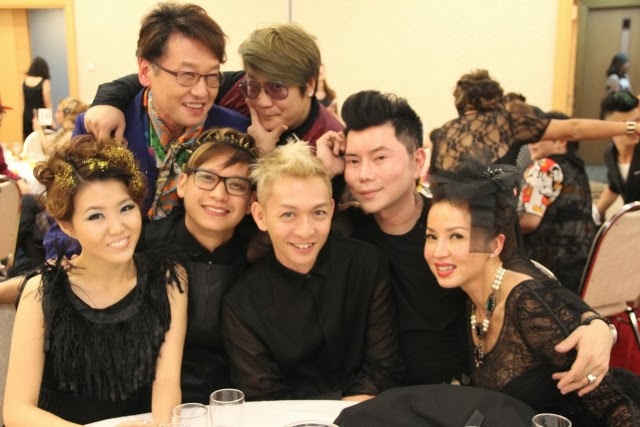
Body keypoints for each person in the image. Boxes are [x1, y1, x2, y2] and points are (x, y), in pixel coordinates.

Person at [316, 90, 616, 394]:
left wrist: (595, 322)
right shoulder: (346, 231)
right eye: (353, 161)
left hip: (459, 393)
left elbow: (521, 270)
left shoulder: (456, 221)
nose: (364, 174)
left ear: (418, 161)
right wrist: (325, 173)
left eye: (380, 158)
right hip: (375, 392)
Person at [424, 155, 640, 426]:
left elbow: (616, 405)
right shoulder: (472, 300)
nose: (438, 252)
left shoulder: (528, 303)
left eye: (456, 236)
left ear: (495, 245)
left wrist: (601, 328)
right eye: (431, 236)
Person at [3, 135, 188, 426]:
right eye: (96, 216)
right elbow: (16, 411)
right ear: (67, 225)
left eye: (126, 208)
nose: (117, 227)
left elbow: (166, 381)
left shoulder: (168, 279)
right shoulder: (40, 292)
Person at [222, 142, 403, 401]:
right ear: (261, 216)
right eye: (288, 215)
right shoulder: (242, 303)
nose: (306, 231)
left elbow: (383, 367)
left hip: (367, 411)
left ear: (331, 209)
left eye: (318, 212)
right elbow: (265, 398)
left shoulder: (365, 263)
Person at [73, 2, 248, 219]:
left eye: (212, 76)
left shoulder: (236, 132)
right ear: (145, 71)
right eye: (187, 75)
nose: (202, 92)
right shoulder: (98, 128)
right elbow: (67, 216)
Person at [83, 23, 343, 156]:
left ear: (310, 85)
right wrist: (108, 101)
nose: (262, 101)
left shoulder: (328, 141)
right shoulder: (235, 88)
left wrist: (264, 157)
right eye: (253, 85)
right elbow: (163, 80)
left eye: (277, 88)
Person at [140, 127, 258, 404]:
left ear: (251, 201)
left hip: (241, 402)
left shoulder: (261, 253)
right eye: (206, 178)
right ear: (182, 184)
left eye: (236, 185)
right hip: (148, 400)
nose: (219, 194)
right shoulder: (143, 246)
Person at [432, 69, 640, 172]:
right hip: (492, 228)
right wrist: (629, 126)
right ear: (495, 98)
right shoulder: (507, 123)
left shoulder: (443, 132)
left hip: (450, 227)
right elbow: (574, 129)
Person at [519, 111, 597, 294]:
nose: (532, 142)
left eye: (539, 136)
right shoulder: (578, 168)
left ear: (561, 141)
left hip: (547, 272)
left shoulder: (545, 166)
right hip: (582, 268)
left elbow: (528, 222)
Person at [596, 90, 640, 222]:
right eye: (627, 124)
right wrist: (596, 212)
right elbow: (614, 187)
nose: (635, 128)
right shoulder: (610, 155)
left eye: (637, 120)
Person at [22, 56, 52, 141]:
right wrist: (52, 121)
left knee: (29, 140)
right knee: (42, 140)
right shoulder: (44, 82)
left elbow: (23, 102)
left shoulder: (24, 81)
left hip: (27, 115)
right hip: (42, 116)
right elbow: (47, 103)